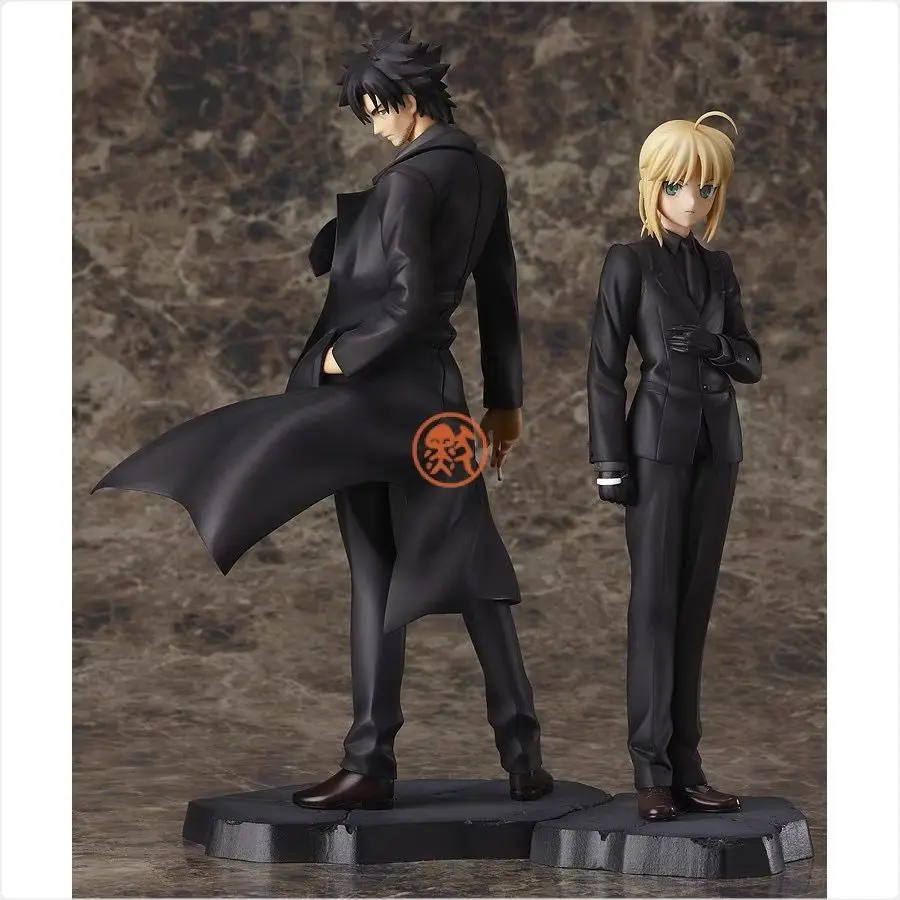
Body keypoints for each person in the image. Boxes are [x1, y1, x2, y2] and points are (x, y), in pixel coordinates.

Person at [92, 28, 552, 811]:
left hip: (373, 403)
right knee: (473, 569)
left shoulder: (408, 182)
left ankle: (370, 761)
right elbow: (500, 297)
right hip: (439, 405)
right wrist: (504, 403)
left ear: (408, 100)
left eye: (375, 111)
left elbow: (410, 302)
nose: (373, 127)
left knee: (375, 574)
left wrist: (343, 357)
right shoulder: (485, 174)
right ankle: (524, 755)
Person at [586, 111, 762, 822]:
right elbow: (604, 369)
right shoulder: (629, 261)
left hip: (718, 445)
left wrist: (713, 346)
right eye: (678, 185)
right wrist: (608, 461)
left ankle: (688, 766)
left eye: (705, 188)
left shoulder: (719, 268)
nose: (692, 200)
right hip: (655, 445)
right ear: (653, 185)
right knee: (655, 605)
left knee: (694, 607)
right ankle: (651, 770)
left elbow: (750, 360)